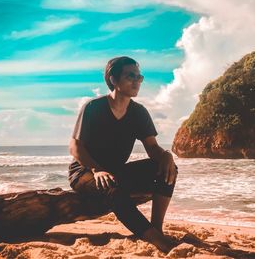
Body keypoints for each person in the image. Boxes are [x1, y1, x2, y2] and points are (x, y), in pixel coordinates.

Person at [68, 56, 178, 253]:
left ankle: (156, 229)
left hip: (115, 171)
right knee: (112, 187)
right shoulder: (93, 108)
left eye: (139, 77)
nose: (137, 81)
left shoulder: (139, 112)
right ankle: (156, 240)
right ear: (113, 79)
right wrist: (97, 169)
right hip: (85, 172)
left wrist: (166, 156)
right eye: (130, 76)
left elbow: (152, 148)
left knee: (166, 167)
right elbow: (75, 147)